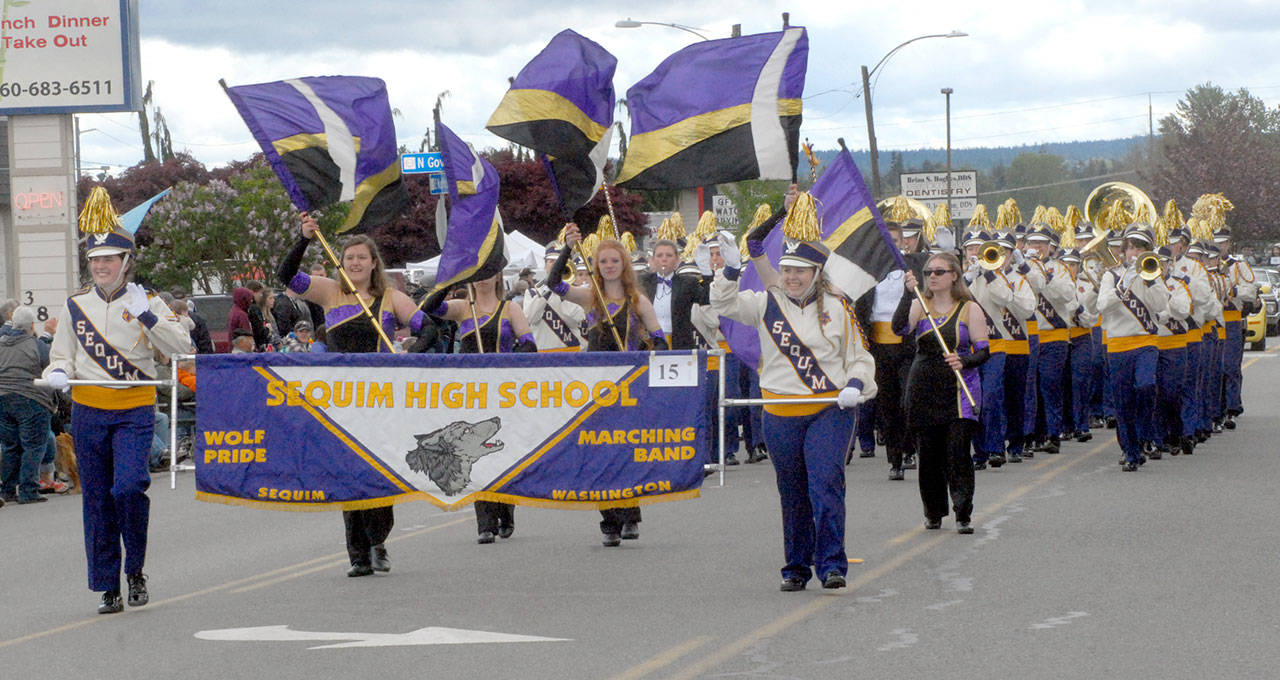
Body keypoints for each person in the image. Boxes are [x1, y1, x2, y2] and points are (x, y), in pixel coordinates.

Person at [710, 210, 877, 591]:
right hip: (780, 412)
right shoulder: (765, 303)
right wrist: (732, 271)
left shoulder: (839, 307)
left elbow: (860, 357)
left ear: (816, 274)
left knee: (826, 483)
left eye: (800, 270)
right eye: (786, 270)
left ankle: (832, 564)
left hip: (828, 409)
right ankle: (796, 568)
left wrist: (855, 383)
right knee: (793, 492)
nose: (792, 277)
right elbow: (724, 304)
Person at [44, 222, 191, 614]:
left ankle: (135, 570)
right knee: (96, 500)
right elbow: (61, 354)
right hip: (89, 410)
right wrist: (57, 371)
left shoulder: (151, 302)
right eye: (95, 260)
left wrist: (148, 317)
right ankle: (108, 584)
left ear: (126, 262)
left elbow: (182, 347)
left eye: (109, 259)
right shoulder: (76, 305)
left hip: (135, 408)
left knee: (128, 488)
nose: (101, 266)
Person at [277, 212, 428, 577]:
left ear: (374, 263)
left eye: (362, 257)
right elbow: (286, 277)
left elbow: (429, 329)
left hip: (381, 399)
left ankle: (378, 541)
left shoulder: (391, 297)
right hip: (343, 401)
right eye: (349, 258)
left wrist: (411, 355)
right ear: (341, 263)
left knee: (378, 472)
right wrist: (304, 239)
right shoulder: (330, 291)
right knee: (348, 474)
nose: (355, 263)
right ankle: (357, 554)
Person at [549, 223, 665, 547]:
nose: (609, 266)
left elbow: (658, 338)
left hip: (628, 386)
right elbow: (553, 284)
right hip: (597, 389)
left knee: (626, 451)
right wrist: (568, 249)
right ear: (596, 266)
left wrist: (651, 358)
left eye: (614, 261)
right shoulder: (590, 298)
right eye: (603, 262)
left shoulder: (638, 300)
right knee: (600, 454)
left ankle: (630, 515)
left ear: (624, 265)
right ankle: (609, 521)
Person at [425, 272, 536, 544]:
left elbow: (530, 345)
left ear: (498, 276)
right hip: (471, 393)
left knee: (500, 453)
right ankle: (485, 523)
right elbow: (429, 309)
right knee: (474, 454)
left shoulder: (511, 308)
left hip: (504, 392)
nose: (483, 279)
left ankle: (506, 509)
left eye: (489, 273)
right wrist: (451, 280)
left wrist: (504, 362)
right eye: (478, 274)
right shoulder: (463, 308)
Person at [896, 252, 988, 533]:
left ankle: (963, 512)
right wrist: (905, 294)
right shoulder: (919, 305)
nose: (932, 277)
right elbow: (899, 328)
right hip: (923, 387)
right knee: (930, 456)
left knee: (957, 452)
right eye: (927, 273)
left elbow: (983, 350)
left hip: (959, 389)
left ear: (954, 276)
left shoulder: (969, 308)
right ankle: (933, 511)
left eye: (938, 272)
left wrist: (965, 360)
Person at [1096, 224, 1170, 471]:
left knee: (1146, 385)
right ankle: (1130, 451)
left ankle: (1143, 434)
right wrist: (1123, 283)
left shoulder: (1153, 274)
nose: (1134, 252)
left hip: (1145, 343)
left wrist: (1147, 281)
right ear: (1123, 250)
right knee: (1123, 403)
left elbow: (1161, 304)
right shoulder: (1112, 276)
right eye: (1131, 247)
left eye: (1140, 247)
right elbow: (1102, 305)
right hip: (1118, 345)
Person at [0, 306, 56, 505]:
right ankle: (28, 490)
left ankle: (6, 490)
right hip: (31, 399)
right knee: (33, 446)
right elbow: (51, 369)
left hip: (3, 399)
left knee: (9, 446)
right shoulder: (36, 346)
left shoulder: (1, 343)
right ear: (32, 325)